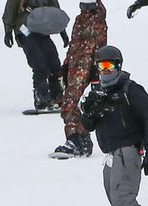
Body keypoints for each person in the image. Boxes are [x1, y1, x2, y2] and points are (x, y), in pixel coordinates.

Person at [80, 46, 148, 206]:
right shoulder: (98, 94)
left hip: (127, 150)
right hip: (110, 154)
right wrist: (88, 113)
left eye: (110, 65)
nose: (106, 70)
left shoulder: (130, 90)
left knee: (123, 200)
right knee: (114, 198)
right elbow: (89, 126)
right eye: (102, 66)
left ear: (118, 66)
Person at [51, 0, 107, 159]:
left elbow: (100, 48)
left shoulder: (98, 21)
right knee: (68, 103)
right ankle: (81, 140)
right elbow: (74, 45)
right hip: (75, 68)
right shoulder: (79, 19)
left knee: (69, 103)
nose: (85, 8)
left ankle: (75, 139)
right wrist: (66, 65)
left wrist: (97, 73)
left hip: (86, 69)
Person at [3, 0, 70, 110]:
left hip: (41, 28)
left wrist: (62, 31)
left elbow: (54, 9)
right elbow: (10, 9)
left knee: (54, 63)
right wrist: (8, 31)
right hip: (25, 29)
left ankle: (56, 95)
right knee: (39, 64)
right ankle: (41, 96)